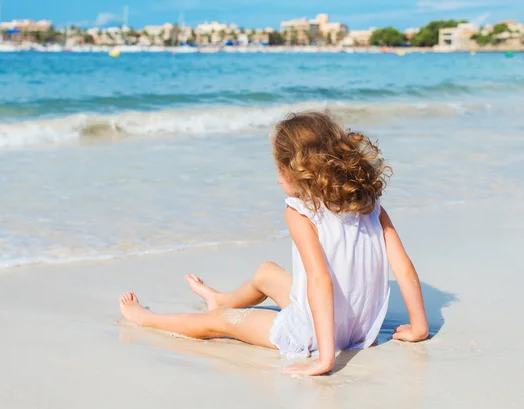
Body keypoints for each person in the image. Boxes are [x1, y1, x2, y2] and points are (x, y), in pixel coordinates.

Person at [119, 111, 428, 376]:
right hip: (361, 328)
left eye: (278, 169)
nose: (277, 177)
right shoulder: (368, 204)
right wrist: (418, 327)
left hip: (315, 333)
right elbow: (402, 267)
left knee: (221, 322)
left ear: (290, 169)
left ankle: (146, 317)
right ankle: (219, 298)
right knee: (266, 272)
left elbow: (320, 280)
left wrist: (324, 358)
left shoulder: (300, 213)